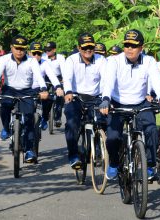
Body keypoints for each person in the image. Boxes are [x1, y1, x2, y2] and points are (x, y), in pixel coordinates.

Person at [99, 29, 160, 180]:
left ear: (141, 48)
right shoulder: (114, 60)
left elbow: (157, 83)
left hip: (140, 103)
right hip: (117, 103)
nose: (129, 49)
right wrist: (105, 99)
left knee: (151, 130)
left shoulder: (149, 61)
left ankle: (150, 165)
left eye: (133, 46)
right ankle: (113, 163)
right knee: (112, 137)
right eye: (127, 45)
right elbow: (108, 82)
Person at [0, 35, 49, 163]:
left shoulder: (32, 61)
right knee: (5, 108)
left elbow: (39, 76)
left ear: (26, 49)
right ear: (11, 47)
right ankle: (6, 129)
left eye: (22, 48)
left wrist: (43, 89)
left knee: (30, 117)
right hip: (9, 89)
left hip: (26, 91)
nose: (19, 51)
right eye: (17, 48)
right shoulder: (4, 59)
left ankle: (29, 150)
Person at [63, 33, 108, 169]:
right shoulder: (71, 60)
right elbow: (67, 78)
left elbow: (106, 80)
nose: (88, 50)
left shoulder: (101, 60)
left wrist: (106, 98)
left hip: (95, 98)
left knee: (104, 121)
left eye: (91, 47)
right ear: (79, 48)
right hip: (76, 97)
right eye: (84, 47)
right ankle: (73, 156)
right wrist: (68, 92)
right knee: (71, 123)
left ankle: (100, 149)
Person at [29, 42, 64, 130]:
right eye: (34, 53)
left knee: (50, 99)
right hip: (26, 89)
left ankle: (46, 118)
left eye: (39, 53)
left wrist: (58, 87)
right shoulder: (25, 62)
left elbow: (52, 75)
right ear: (30, 53)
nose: (36, 56)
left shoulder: (45, 63)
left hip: (42, 85)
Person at [43, 41, 66, 128]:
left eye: (49, 50)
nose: (47, 52)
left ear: (54, 50)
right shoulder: (43, 57)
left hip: (58, 79)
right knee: (45, 97)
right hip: (46, 79)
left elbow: (64, 70)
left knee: (59, 98)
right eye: (46, 50)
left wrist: (64, 79)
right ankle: (45, 114)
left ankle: (58, 118)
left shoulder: (60, 58)